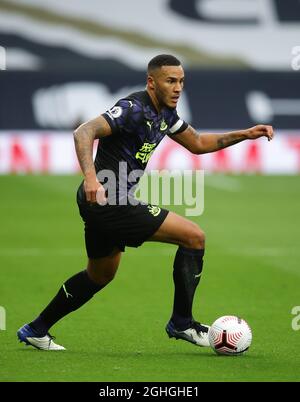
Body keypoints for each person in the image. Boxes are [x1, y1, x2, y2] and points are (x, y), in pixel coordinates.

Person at [17, 54, 273, 350]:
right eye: (170, 81)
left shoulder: (166, 114)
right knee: (193, 237)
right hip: (109, 199)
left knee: (99, 275)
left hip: (106, 202)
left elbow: (199, 144)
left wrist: (246, 133)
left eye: (181, 82)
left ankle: (36, 329)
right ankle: (182, 322)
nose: (178, 88)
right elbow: (83, 131)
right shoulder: (132, 109)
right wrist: (90, 177)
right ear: (152, 83)